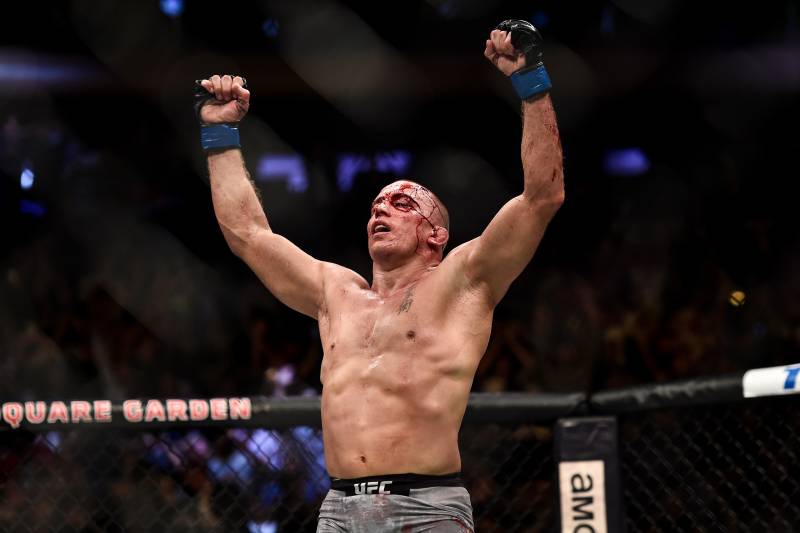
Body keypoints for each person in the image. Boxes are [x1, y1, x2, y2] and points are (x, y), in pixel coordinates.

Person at [195, 20, 563, 533]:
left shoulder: (463, 281)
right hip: (340, 508)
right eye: (375, 204)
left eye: (402, 202)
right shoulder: (336, 293)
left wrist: (531, 80)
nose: (381, 210)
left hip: (427, 506)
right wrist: (219, 132)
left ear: (436, 234)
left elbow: (541, 197)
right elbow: (247, 235)